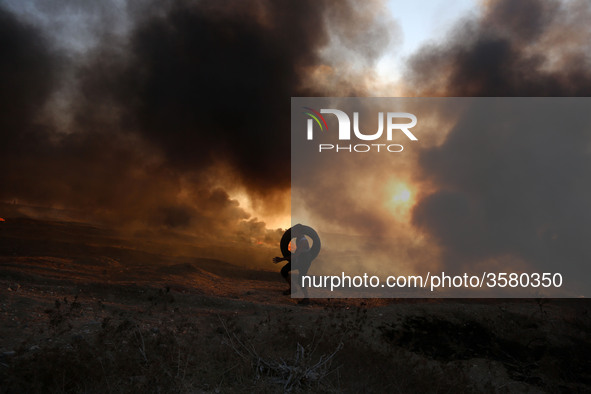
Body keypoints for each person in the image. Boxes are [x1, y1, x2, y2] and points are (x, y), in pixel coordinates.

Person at [272, 224, 320, 305]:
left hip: (304, 261)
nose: (293, 233)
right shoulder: (299, 238)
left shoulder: (303, 242)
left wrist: (281, 259)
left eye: (295, 231)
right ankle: (292, 289)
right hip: (299, 259)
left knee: (301, 279)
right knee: (284, 271)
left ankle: (306, 298)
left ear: (299, 232)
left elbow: (295, 256)